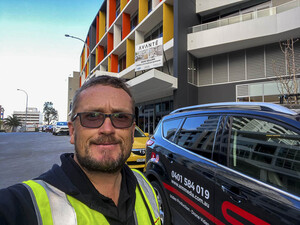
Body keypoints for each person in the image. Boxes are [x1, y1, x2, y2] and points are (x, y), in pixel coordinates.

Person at [0, 75, 161, 225]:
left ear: (132, 132)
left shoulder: (144, 184)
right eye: (92, 116)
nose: (107, 129)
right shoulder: (22, 204)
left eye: (121, 117)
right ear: (72, 131)